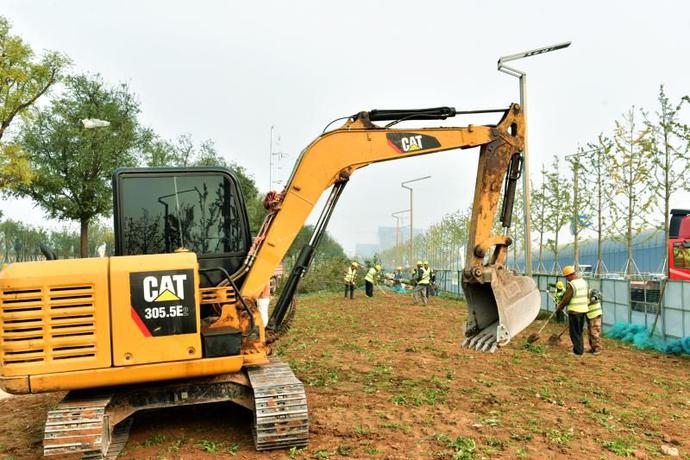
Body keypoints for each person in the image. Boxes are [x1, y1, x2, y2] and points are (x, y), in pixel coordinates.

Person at [555, 265, 589, 356]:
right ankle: (579, 349)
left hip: (575, 312)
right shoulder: (583, 282)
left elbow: (566, 299)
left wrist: (559, 308)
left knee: (574, 332)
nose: (566, 279)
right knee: (579, 331)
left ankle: (578, 352)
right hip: (583, 310)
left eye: (566, 277)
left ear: (570, 275)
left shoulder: (572, 285)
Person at [586, 288, 603, 354]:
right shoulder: (582, 295)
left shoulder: (591, 291)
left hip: (595, 314)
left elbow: (598, 294)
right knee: (590, 332)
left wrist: (594, 298)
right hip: (589, 315)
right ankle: (593, 348)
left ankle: (597, 348)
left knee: (594, 332)